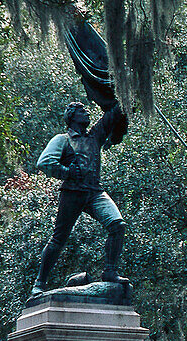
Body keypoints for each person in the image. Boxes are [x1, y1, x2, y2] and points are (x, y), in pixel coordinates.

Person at [33, 101, 129, 296]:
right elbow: (44, 162)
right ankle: (40, 283)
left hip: (94, 192)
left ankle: (110, 271)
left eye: (86, 110)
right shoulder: (63, 139)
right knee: (59, 239)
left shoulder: (96, 135)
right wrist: (66, 171)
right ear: (72, 117)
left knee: (117, 225)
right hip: (72, 193)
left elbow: (114, 111)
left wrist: (128, 88)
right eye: (81, 111)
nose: (86, 113)